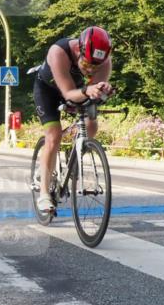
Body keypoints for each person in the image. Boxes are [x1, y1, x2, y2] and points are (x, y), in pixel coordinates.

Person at [33, 26, 114, 213]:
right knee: (53, 136)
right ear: (79, 49)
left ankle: (74, 152)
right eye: (87, 64)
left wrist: (103, 91)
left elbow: (94, 92)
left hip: (78, 90)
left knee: (91, 124)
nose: (90, 69)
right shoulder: (58, 52)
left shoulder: (104, 61)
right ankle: (44, 194)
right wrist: (87, 90)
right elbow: (69, 94)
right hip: (49, 91)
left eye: (96, 66)